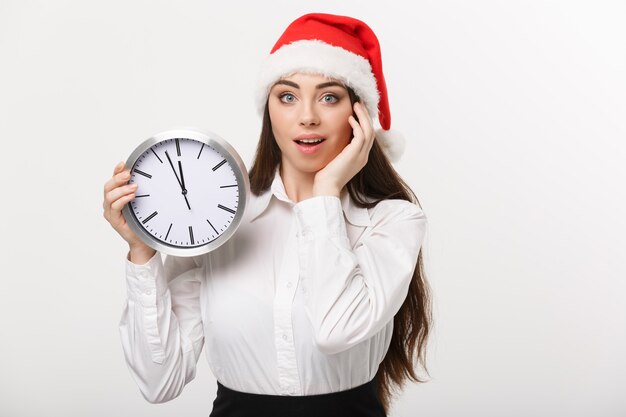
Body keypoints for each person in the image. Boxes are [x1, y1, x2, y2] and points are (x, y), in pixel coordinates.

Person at [102, 12, 431, 417]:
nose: (307, 115)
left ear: (359, 115)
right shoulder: (218, 224)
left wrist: (324, 193)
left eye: (329, 97)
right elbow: (159, 382)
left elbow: (335, 330)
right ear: (269, 110)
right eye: (288, 96)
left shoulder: (392, 220)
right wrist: (142, 250)